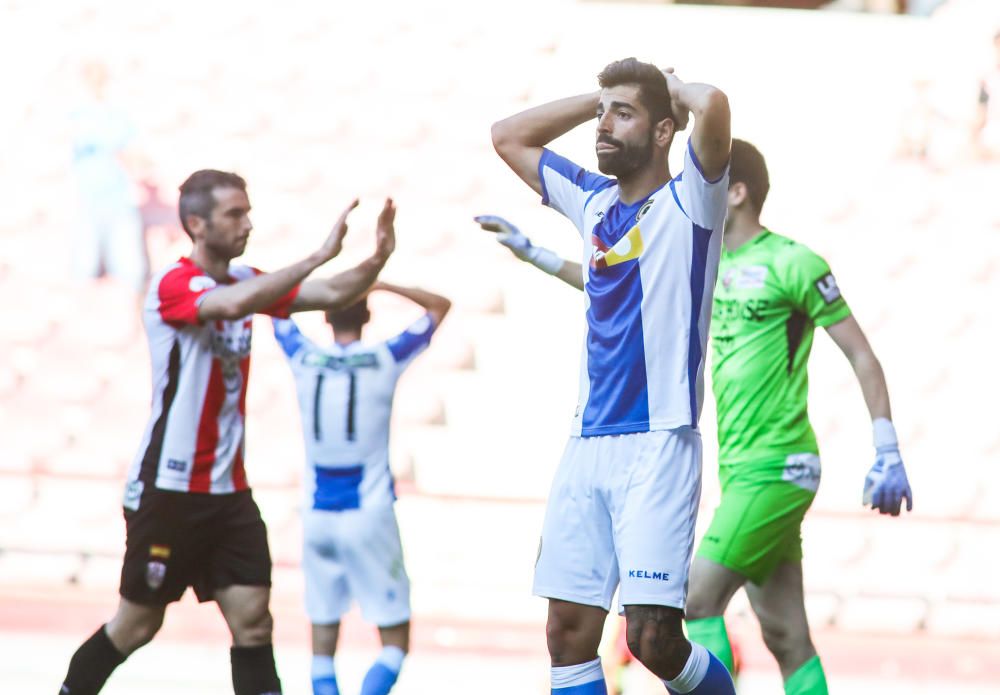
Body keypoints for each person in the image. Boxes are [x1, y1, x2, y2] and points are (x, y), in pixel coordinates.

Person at [479, 139, 914, 695]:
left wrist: (886, 446)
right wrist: (536, 253)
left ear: (736, 191)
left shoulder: (794, 262)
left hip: (781, 465)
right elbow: (611, 277)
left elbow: (861, 353)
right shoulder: (699, 265)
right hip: (738, 471)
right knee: (786, 636)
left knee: (695, 597)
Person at [58, 169, 397, 695]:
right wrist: (315, 256)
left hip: (229, 494)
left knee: (254, 622)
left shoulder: (246, 279)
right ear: (196, 223)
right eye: (234, 214)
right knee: (137, 626)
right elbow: (233, 306)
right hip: (169, 491)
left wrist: (376, 259)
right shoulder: (173, 284)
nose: (247, 224)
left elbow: (333, 291)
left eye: (248, 211)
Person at [489, 57, 735, 695]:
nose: (603, 126)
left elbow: (712, 106)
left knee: (652, 639)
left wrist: (670, 92)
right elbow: (508, 136)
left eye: (623, 116)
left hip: (658, 443)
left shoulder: (692, 200)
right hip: (586, 443)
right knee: (566, 632)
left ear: (662, 133)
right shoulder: (593, 201)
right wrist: (601, 99)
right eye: (603, 114)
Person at [271, 281, 450, 695]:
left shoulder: (303, 357)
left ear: (325, 315)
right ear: (368, 316)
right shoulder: (383, 357)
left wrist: (326, 287)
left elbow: (274, 306)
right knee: (394, 642)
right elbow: (440, 305)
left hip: (316, 514)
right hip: (369, 513)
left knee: (321, 643)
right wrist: (379, 281)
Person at [69, 60, 149, 298]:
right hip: (87, 198)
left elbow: (131, 150)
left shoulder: (116, 114)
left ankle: (133, 312)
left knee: (130, 266)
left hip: (118, 197)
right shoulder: (76, 114)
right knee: (85, 263)